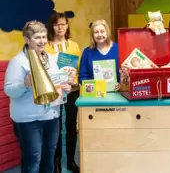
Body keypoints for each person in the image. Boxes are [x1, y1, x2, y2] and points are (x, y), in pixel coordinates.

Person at [4, 21, 72, 173]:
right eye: (37, 37)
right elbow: (9, 90)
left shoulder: (52, 59)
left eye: (44, 37)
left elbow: (57, 84)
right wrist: (25, 84)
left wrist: (65, 88)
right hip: (29, 119)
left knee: (49, 154)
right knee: (34, 158)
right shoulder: (18, 61)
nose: (42, 41)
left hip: (52, 115)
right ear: (27, 40)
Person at [45, 12, 81, 173]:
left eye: (63, 24)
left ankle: (71, 160)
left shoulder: (74, 46)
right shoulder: (45, 45)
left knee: (72, 127)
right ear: (51, 26)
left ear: (67, 26)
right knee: (56, 127)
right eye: (57, 24)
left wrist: (75, 81)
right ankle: (57, 162)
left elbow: (79, 70)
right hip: (55, 92)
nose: (60, 27)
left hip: (72, 90)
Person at [79, 19, 120, 90]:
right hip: (95, 95)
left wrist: (121, 84)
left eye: (102, 31)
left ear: (107, 32)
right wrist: (92, 88)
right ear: (92, 35)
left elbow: (126, 72)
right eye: (96, 32)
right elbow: (82, 76)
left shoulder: (119, 48)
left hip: (118, 93)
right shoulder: (87, 52)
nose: (99, 35)